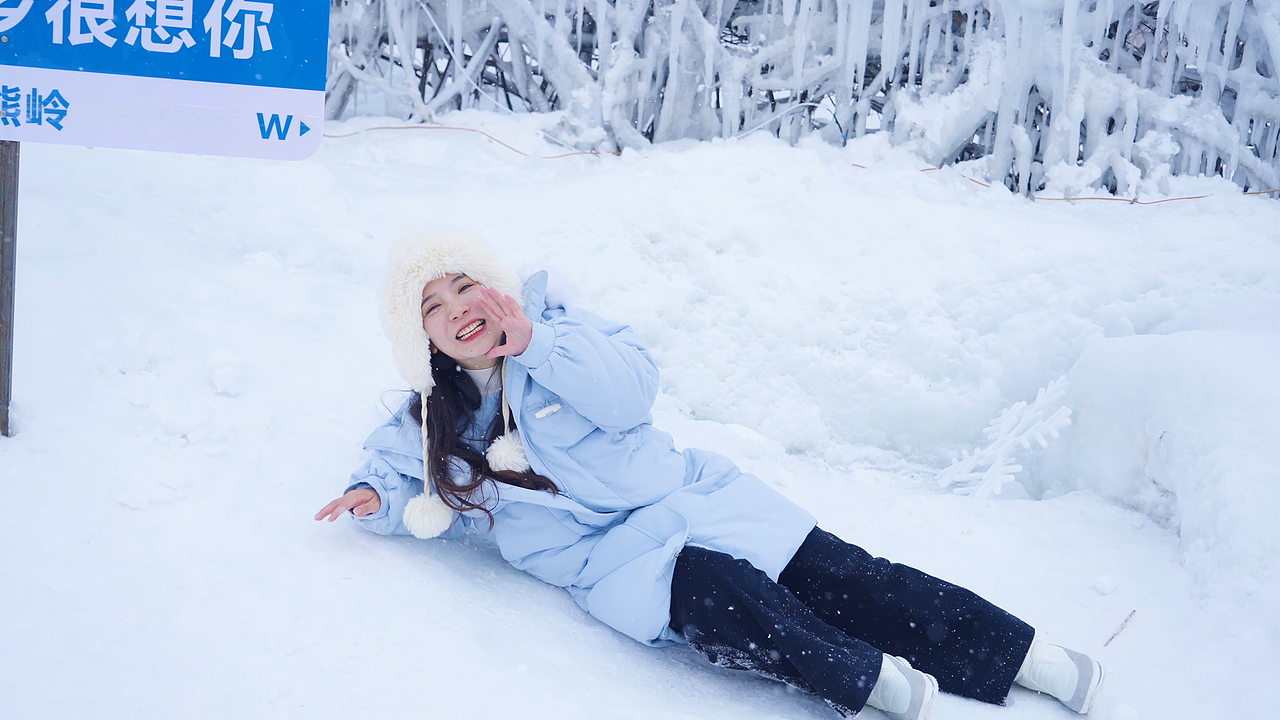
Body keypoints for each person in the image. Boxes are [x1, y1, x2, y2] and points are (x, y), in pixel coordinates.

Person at [314, 233, 1105, 719]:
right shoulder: (434, 422)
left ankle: (1026, 658)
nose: (456, 307)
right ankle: (873, 684)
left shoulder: (564, 336)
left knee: (850, 578)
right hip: (613, 563)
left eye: (465, 285)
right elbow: (395, 472)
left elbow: (630, 396)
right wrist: (372, 497)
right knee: (730, 600)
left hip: (692, 497)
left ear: (498, 292)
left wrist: (536, 347)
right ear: (420, 338)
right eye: (432, 305)